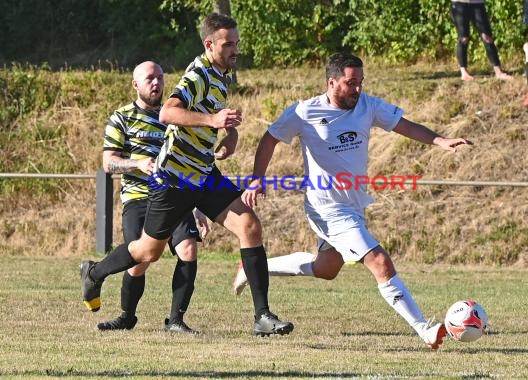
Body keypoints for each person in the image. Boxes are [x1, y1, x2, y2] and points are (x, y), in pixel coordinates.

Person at [237, 52, 472, 350]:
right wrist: (257, 177)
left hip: (353, 204)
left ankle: (252, 268)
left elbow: (404, 125)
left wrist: (439, 140)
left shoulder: (368, 105)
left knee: (326, 268)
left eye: (360, 82)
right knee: (380, 262)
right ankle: (424, 328)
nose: (357, 89)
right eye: (351, 83)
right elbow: (270, 138)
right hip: (327, 208)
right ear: (332, 82)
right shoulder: (304, 112)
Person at [80, 13, 293, 337]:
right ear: (209, 45)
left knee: (249, 225)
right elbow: (168, 112)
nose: (235, 49)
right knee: (148, 252)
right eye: (228, 44)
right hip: (176, 177)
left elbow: (213, 121)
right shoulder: (199, 74)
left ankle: (262, 317)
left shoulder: (222, 75)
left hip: (203, 172)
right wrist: (212, 121)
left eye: (236, 42)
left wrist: (228, 135)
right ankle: (95, 272)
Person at [99, 61, 210, 333]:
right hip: (138, 197)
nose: (156, 83)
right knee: (141, 258)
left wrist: (197, 207)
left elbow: (189, 162)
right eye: (149, 78)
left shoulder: (174, 117)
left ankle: (175, 320)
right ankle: (127, 315)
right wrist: (137, 163)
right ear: (135, 85)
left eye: (160, 77)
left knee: (188, 248)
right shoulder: (122, 117)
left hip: (175, 195)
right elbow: (108, 162)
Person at [450, 0, 512, 81]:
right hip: (459, 4)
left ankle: (498, 71)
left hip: (477, 4)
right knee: (463, 38)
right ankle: (464, 73)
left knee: (487, 37)